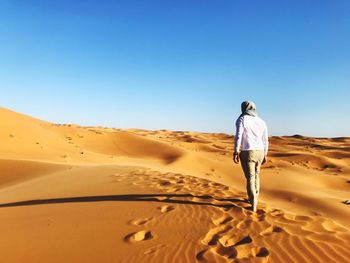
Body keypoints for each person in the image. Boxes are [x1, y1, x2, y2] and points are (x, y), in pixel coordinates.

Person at [233, 101, 268, 212]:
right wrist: (265, 153)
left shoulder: (242, 120)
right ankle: (255, 198)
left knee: (250, 178)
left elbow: (238, 136)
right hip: (260, 152)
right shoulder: (262, 121)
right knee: (257, 175)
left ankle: (253, 204)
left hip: (248, 152)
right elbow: (265, 140)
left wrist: (236, 151)